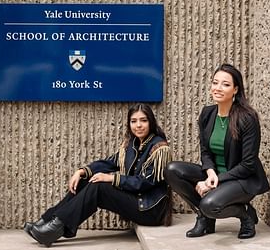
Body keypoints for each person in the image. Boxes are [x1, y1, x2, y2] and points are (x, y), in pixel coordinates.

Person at [24, 103, 173, 247]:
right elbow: (109, 163)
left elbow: (143, 182)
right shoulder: (131, 144)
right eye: (133, 121)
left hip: (150, 209)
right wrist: (82, 171)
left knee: (100, 187)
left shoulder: (159, 148)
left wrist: (111, 178)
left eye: (143, 120)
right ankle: (47, 221)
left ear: (151, 122)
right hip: (135, 200)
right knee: (85, 181)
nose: (138, 125)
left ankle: (54, 228)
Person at [164, 64, 270, 239]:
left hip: (241, 179)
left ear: (235, 89)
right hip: (216, 175)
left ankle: (244, 214)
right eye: (215, 82)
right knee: (172, 170)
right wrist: (211, 173)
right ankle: (205, 218)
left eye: (225, 84)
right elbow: (205, 152)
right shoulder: (207, 113)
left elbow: (248, 165)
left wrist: (214, 181)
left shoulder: (247, 118)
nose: (218, 88)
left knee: (209, 204)